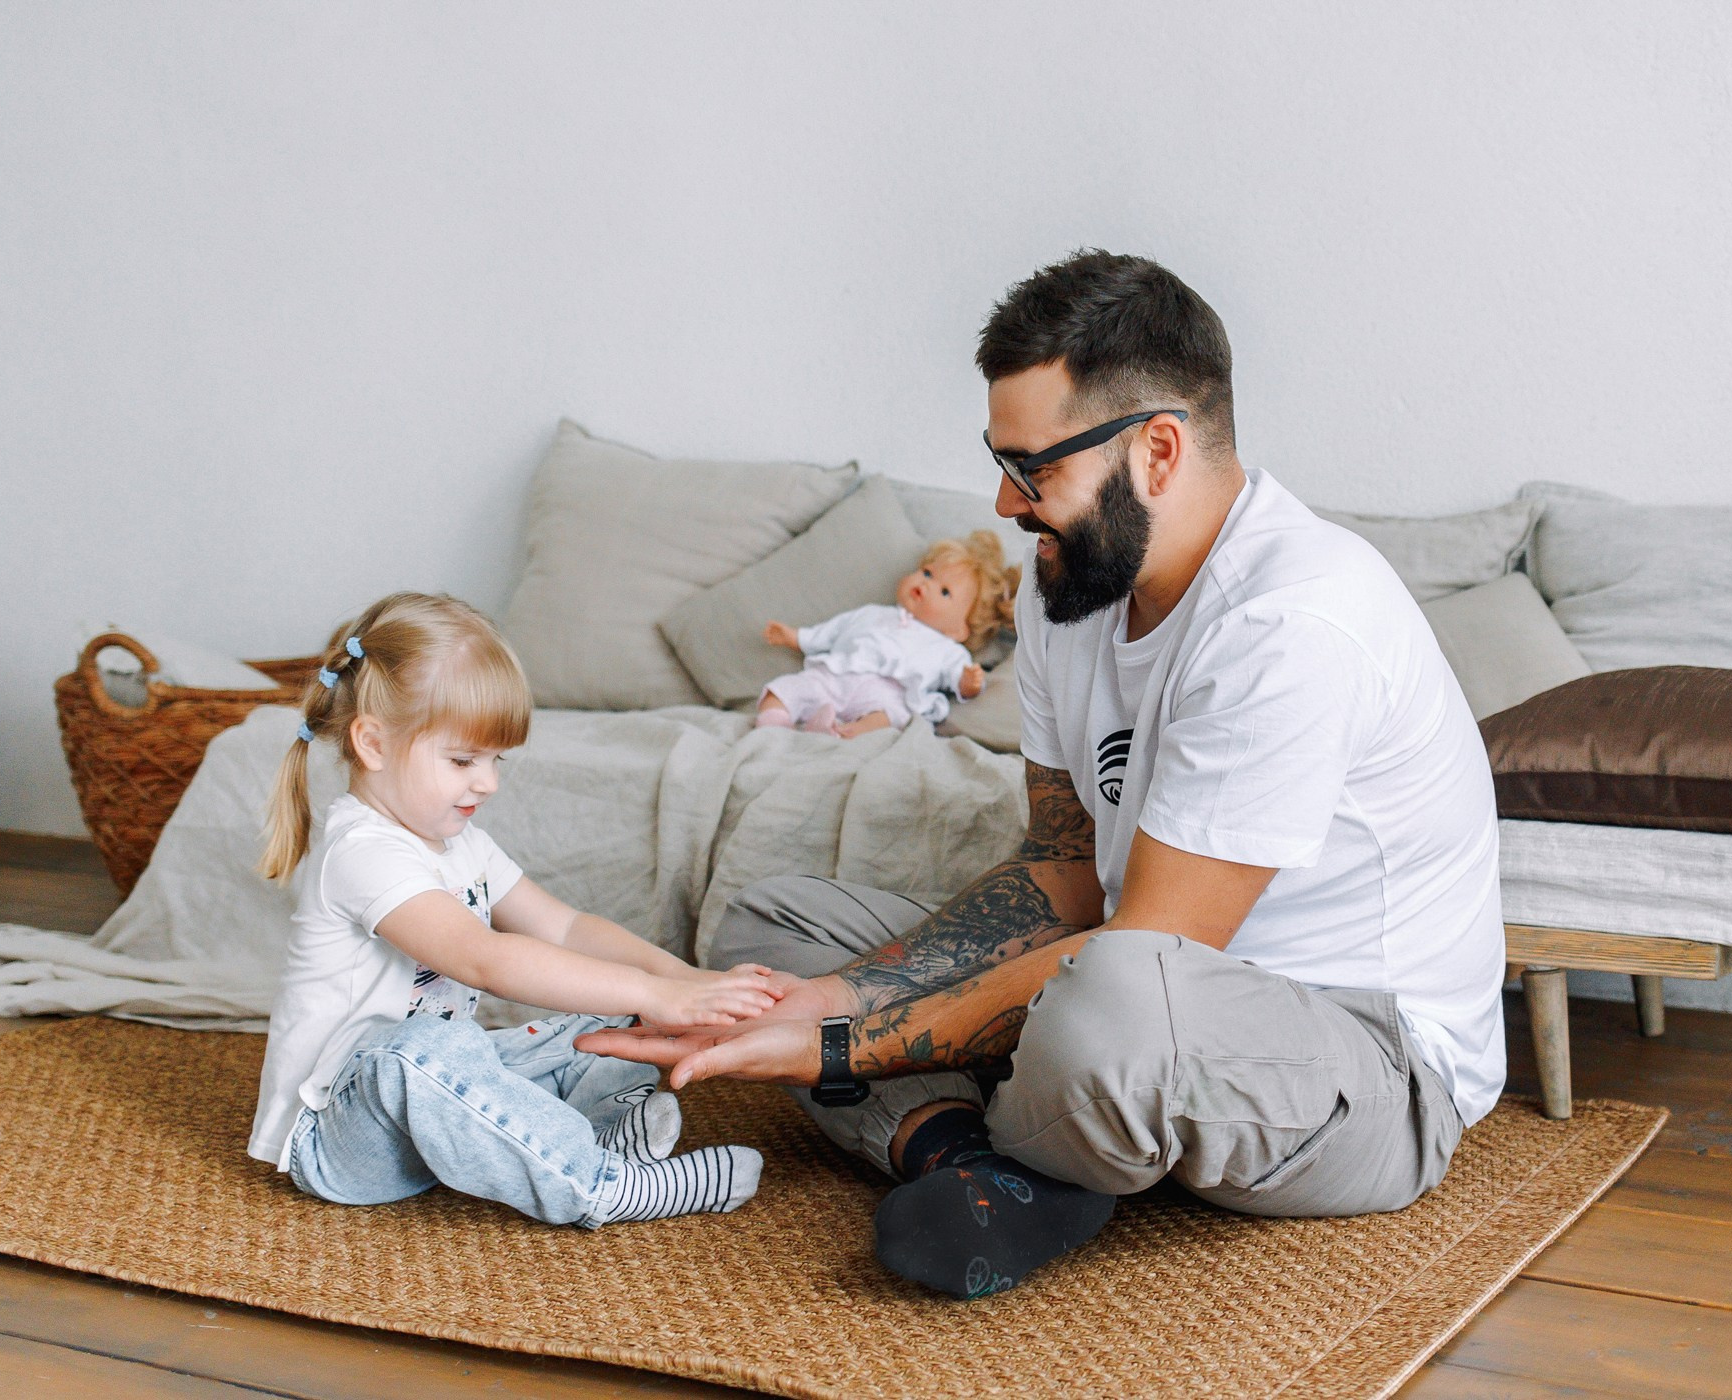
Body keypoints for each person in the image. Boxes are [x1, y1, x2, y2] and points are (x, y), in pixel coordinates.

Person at [580, 251, 1507, 1297]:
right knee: (766, 931)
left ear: (1158, 450)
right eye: (1001, 462)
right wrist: (830, 994)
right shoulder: (1068, 588)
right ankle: (984, 1163)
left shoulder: (1290, 623)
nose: (1004, 502)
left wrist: (837, 1045)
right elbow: (1063, 871)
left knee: (1106, 1004)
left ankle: (998, 1126)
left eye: (1032, 469)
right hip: (1120, 985)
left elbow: (1150, 947)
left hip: (1371, 1061)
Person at [248, 591, 785, 1228]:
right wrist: (657, 992)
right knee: (417, 1051)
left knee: (609, 1005)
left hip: (440, 1117)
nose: (488, 782)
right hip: (341, 1138)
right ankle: (600, 1185)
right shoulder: (362, 851)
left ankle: (598, 1132)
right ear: (373, 744)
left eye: (494, 759)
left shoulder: (461, 843)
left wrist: (682, 981)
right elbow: (484, 960)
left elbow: (566, 928)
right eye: (462, 760)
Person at [755, 532, 1019, 737]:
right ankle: (773, 730)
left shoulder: (948, 650)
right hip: (837, 675)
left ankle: (844, 733)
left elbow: (956, 678)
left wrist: (969, 683)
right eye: (927, 573)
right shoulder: (874, 613)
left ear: (958, 629)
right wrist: (796, 637)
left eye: (944, 591)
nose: (926, 584)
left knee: (893, 716)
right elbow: (832, 632)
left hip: (886, 693)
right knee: (784, 689)